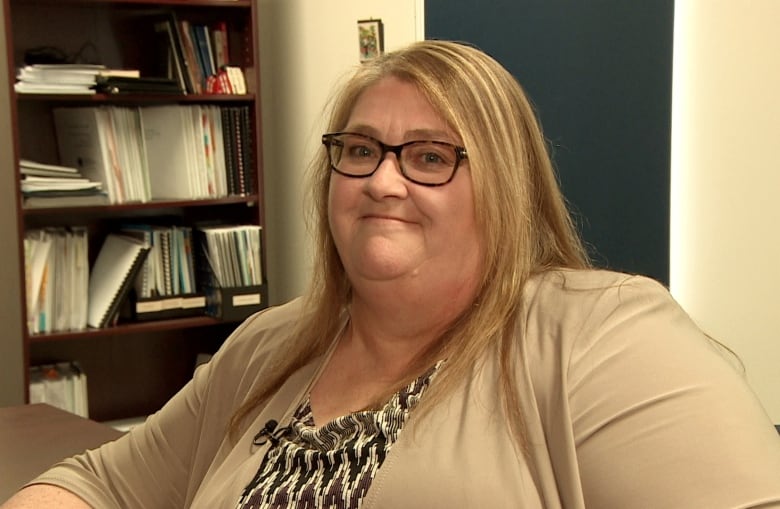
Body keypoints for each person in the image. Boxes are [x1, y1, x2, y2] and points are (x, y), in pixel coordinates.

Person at [4, 40, 780, 509]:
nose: (383, 180)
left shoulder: (597, 333)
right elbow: (101, 485)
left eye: (431, 157)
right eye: (361, 149)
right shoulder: (267, 346)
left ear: (504, 187)